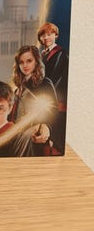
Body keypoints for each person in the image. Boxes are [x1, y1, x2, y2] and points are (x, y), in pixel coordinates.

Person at [10, 45, 60, 155]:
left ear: (36, 62)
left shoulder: (45, 83)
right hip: (17, 137)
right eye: (21, 62)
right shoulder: (17, 89)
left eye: (29, 61)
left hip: (35, 138)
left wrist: (47, 127)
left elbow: (54, 112)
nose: (25, 65)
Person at [37, 22, 69, 152]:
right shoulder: (42, 55)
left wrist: (54, 98)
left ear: (56, 35)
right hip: (43, 98)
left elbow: (60, 78)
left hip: (55, 98)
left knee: (53, 130)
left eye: (50, 34)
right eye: (43, 35)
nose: (46, 38)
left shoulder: (61, 54)